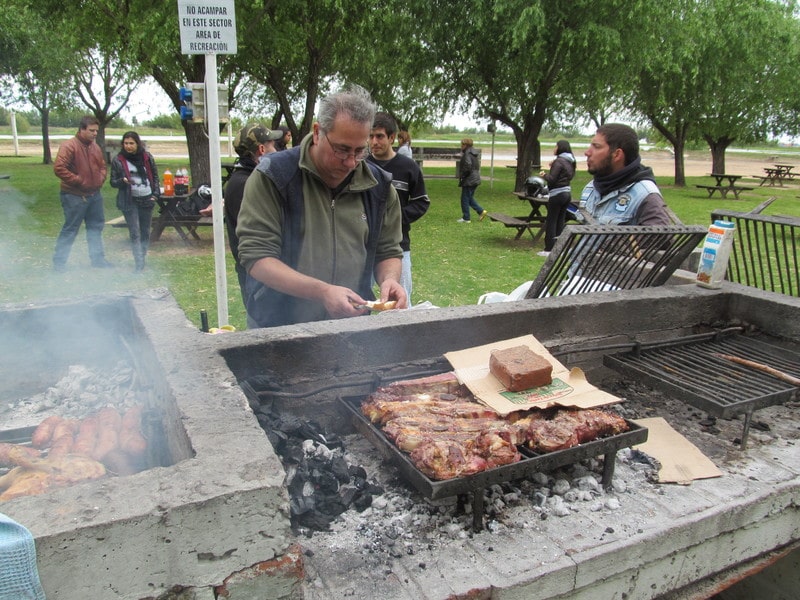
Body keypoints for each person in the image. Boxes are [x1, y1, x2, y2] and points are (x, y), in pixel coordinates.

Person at [236, 85, 406, 328]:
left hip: (351, 327)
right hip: (278, 327)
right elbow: (257, 258)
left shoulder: (379, 186)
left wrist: (390, 279)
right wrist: (322, 291)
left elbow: (388, 250)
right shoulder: (274, 176)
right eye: (342, 149)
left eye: (360, 151)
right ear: (317, 132)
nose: (350, 162)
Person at [367, 112, 430, 303]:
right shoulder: (361, 166)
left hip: (399, 246)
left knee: (400, 300)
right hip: (364, 245)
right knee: (360, 299)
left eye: (379, 136)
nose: (374, 142)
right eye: (370, 136)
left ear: (392, 137)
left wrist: (395, 218)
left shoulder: (408, 167)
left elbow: (422, 202)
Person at [219, 124, 282, 305]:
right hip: (256, 276)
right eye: (272, 144)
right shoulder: (245, 184)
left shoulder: (241, 179)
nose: (275, 149)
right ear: (262, 149)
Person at [580, 123, 671, 226]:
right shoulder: (590, 189)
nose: (587, 152)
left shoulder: (645, 195)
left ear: (617, 154)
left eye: (596, 147)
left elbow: (659, 240)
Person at [52, 115, 112, 271]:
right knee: (70, 229)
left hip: (94, 194)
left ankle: (98, 260)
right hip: (74, 195)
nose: (94, 134)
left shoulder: (95, 147)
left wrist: (100, 179)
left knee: (95, 228)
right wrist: (78, 180)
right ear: (82, 129)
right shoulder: (69, 146)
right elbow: (59, 168)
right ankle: (59, 263)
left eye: (96, 131)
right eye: (91, 130)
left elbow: (102, 166)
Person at [109, 131, 160, 272]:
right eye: (126, 143)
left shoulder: (147, 157)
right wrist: (122, 181)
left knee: (145, 232)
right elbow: (112, 182)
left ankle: (142, 258)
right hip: (129, 200)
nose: (128, 146)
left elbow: (155, 177)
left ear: (137, 143)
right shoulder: (118, 160)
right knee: (135, 232)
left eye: (131, 143)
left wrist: (155, 195)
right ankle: (138, 264)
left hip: (146, 197)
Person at [538, 139, 577, 256]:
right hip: (567, 194)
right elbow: (566, 176)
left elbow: (552, 180)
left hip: (557, 194)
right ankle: (561, 247)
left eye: (555, 146)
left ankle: (549, 249)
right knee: (561, 220)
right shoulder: (570, 161)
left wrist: (544, 175)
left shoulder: (559, 161)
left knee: (551, 221)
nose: (554, 149)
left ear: (560, 148)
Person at [457, 137, 487, 223]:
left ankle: (466, 218)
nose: (461, 146)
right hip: (475, 178)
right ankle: (481, 211)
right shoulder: (474, 153)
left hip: (469, 179)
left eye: (462, 144)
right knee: (469, 198)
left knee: (464, 199)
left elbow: (468, 166)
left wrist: (463, 175)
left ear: (465, 145)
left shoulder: (467, 154)